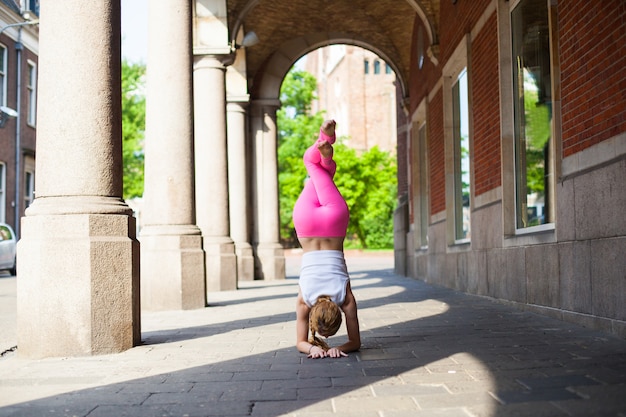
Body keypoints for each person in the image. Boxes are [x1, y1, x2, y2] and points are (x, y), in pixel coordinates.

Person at [292, 119, 361, 359]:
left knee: (322, 170)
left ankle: (327, 143)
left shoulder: (345, 298)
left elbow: (355, 342)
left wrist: (338, 348)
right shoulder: (305, 299)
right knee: (314, 168)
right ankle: (326, 145)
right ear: (313, 316)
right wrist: (314, 347)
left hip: (334, 221)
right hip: (306, 222)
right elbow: (300, 342)